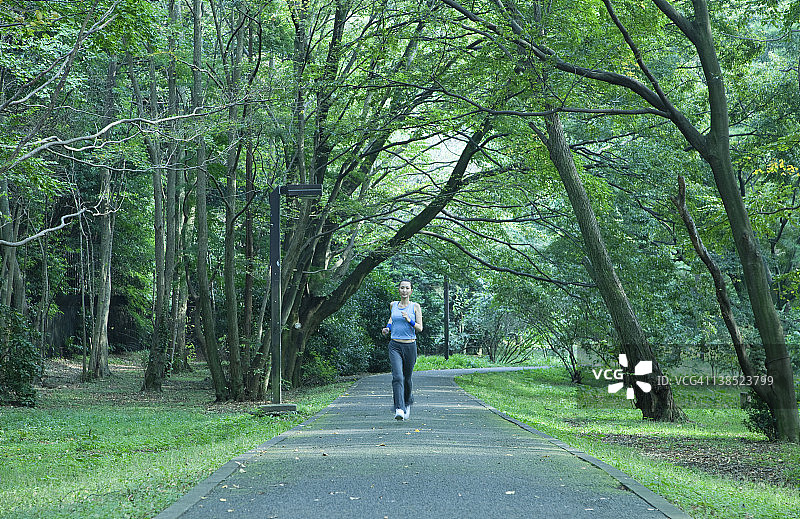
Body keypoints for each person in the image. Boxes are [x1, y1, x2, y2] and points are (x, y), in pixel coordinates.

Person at [381, 279, 423, 420]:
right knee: (397, 377)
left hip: (410, 346)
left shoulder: (415, 307)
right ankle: (399, 408)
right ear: (399, 290)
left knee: (407, 378)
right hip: (395, 345)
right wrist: (387, 328)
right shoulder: (393, 305)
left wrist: (409, 320)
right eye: (402, 288)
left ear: (411, 291)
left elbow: (420, 328)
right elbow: (392, 320)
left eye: (407, 288)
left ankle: (407, 402)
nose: (404, 290)